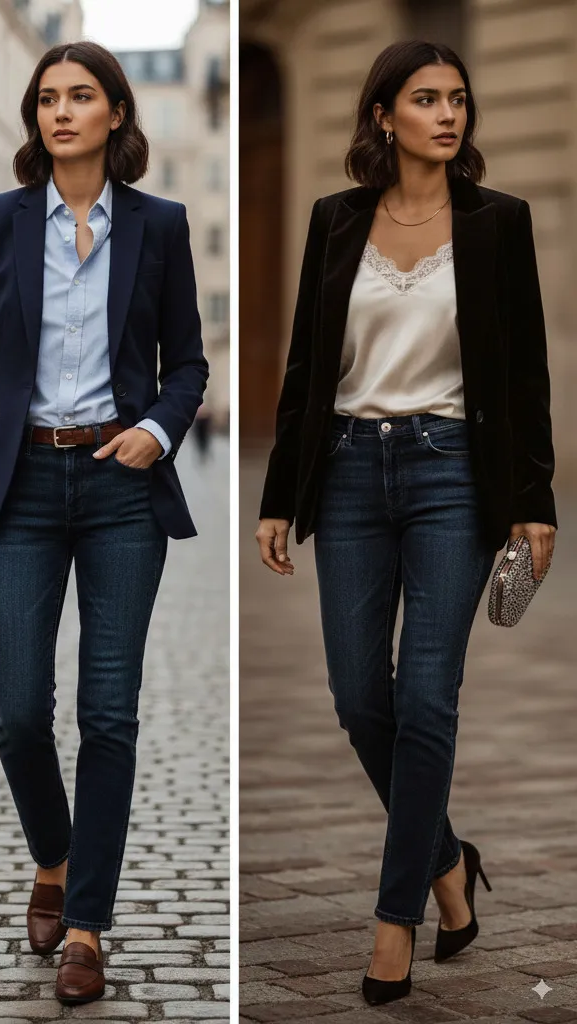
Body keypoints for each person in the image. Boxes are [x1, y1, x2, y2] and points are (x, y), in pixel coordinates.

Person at [256, 40, 555, 1007]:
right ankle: (449, 865)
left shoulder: (499, 224)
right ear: (383, 115)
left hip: (451, 479)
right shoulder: (335, 220)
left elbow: (525, 376)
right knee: (358, 697)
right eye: (425, 98)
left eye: (457, 99)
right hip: (346, 472)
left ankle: (397, 920)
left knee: (427, 699)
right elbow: (307, 365)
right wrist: (277, 494)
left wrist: (533, 501)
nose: (447, 114)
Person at [0, 41, 208, 1007]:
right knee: (18, 713)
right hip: (22, 490)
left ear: (118, 114)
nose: (62, 111)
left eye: (82, 96)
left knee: (110, 714)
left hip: (121, 486)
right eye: (47, 98)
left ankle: (87, 922)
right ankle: (54, 854)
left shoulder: (159, 227)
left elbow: (189, 367)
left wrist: (156, 432)